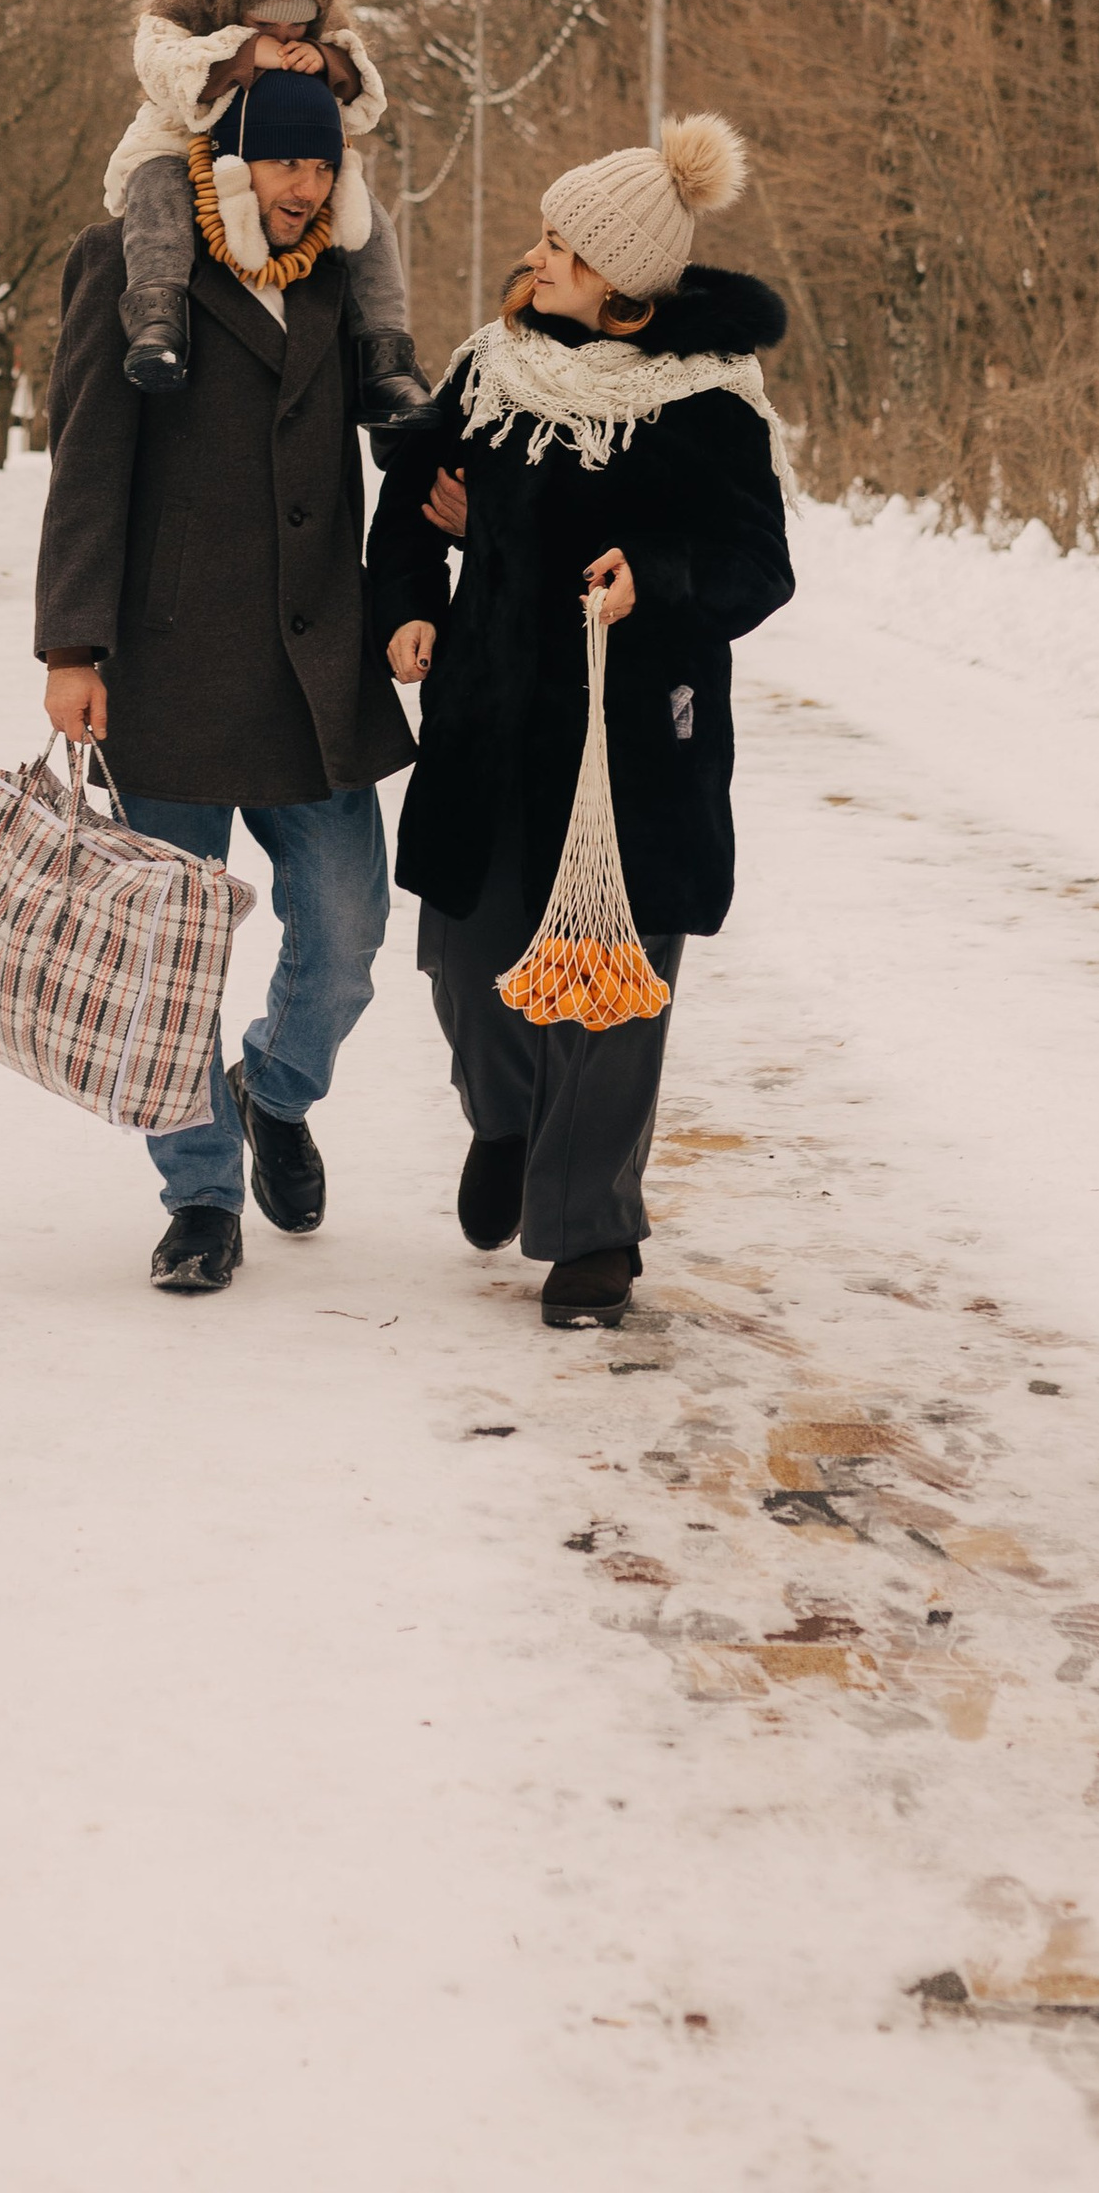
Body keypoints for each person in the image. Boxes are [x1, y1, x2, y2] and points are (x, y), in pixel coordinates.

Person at [368, 115, 795, 1330]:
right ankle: (505, 1124)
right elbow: (410, 504)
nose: (537, 255)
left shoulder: (704, 402)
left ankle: (589, 1233)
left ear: (623, 281)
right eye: (545, 235)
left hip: (629, 746)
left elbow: (754, 569)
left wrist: (650, 578)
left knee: (608, 985)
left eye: (564, 244)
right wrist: (407, 605)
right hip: (486, 723)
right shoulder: (492, 368)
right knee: (467, 959)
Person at [36, 63, 417, 1294]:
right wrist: (72, 648)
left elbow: (406, 427)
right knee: (165, 956)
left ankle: (274, 1087)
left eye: (325, 167)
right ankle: (198, 1193)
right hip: (169, 662)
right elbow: (88, 461)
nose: (307, 189)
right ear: (232, 161)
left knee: (351, 926)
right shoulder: (132, 265)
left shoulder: (343, 279)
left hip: (315, 667)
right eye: (286, 165)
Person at [101, 0, 429, 436]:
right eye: (265, 22)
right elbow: (157, 61)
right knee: (157, 193)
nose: (282, 35)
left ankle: (385, 355)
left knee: (368, 221)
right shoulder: (183, 0)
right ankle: (158, 315)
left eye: (298, 25)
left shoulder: (325, 23)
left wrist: (328, 61)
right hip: (181, 135)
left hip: (293, 142)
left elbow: (365, 92)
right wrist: (244, 54)